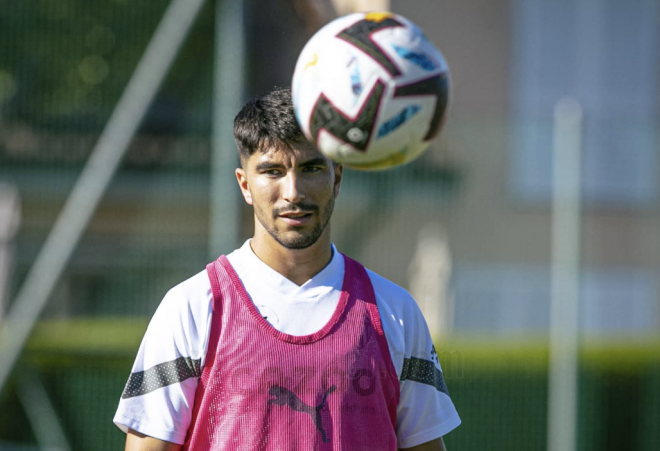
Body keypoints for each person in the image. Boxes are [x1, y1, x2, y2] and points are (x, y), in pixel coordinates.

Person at [114, 87, 460, 450]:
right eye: (272, 171)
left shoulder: (396, 312)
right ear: (245, 184)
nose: (293, 191)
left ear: (337, 178)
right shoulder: (191, 307)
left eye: (310, 168)